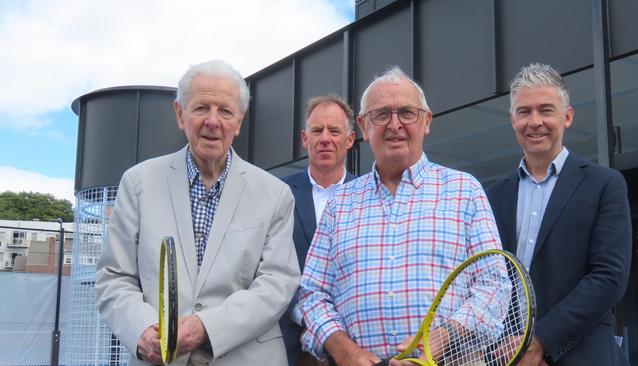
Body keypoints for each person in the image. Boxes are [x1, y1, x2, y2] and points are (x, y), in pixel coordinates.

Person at [95, 60, 301, 366]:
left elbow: (277, 284)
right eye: (201, 108)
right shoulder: (138, 183)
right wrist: (142, 330)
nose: (213, 121)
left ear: (239, 121)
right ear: (180, 114)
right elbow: (114, 276)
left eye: (225, 111)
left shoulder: (274, 194)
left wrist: (207, 327)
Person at [298, 66, 505, 366]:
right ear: (363, 127)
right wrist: (345, 351)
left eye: (407, 113)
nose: (395, 124)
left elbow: (494, 283)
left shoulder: (464, 190)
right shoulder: (339, 203)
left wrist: (443, 335)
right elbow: (313, 293)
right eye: (381, 115)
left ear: (426, 121)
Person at [486, 63, 632, 365]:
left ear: (567, 117)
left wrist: (541, 340)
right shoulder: (493, 196)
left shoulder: (605, 185)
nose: (534, 121)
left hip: (583, 356)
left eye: (546, 110)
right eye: (524, 112)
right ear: (512, 120)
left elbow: (609, 277)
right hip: (508, 358)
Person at [280, 94, 357, 366]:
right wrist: (308, 318)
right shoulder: (278, 194)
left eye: (334, 131)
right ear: (304, 139)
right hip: (291, 346)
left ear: (349, 140)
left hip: (354, 346)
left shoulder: (370, 196)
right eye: (317, 130)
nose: (325, 138)